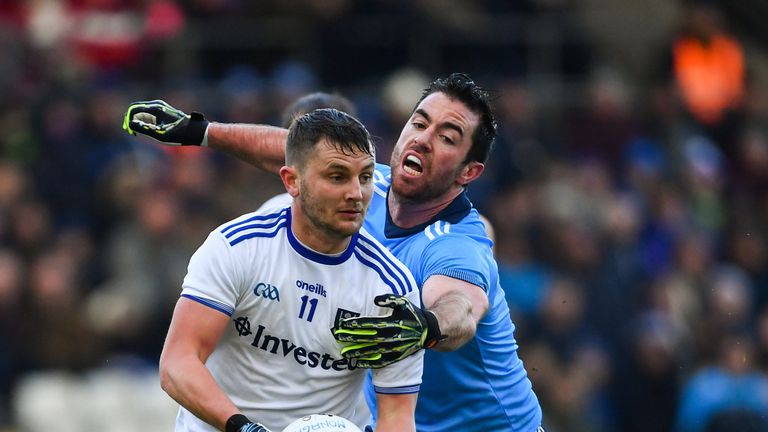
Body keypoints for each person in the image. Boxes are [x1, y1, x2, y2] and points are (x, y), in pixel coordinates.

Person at [124, 73, 543, 431]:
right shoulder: (368, 185)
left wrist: (428, 326)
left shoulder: (456, 245)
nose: (425, 139)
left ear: (469, 172)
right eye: (420, 123)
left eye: (447, 137)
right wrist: (203, 133)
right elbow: (299, 149)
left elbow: (463, 307)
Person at [155, 108, 426, 432]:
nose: (356, 193)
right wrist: (243, 427)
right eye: (337, 176)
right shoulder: (237, 246)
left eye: (365, 177)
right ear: (292, 181)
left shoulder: (391, 289)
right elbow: (178, 363)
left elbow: (397, 416)